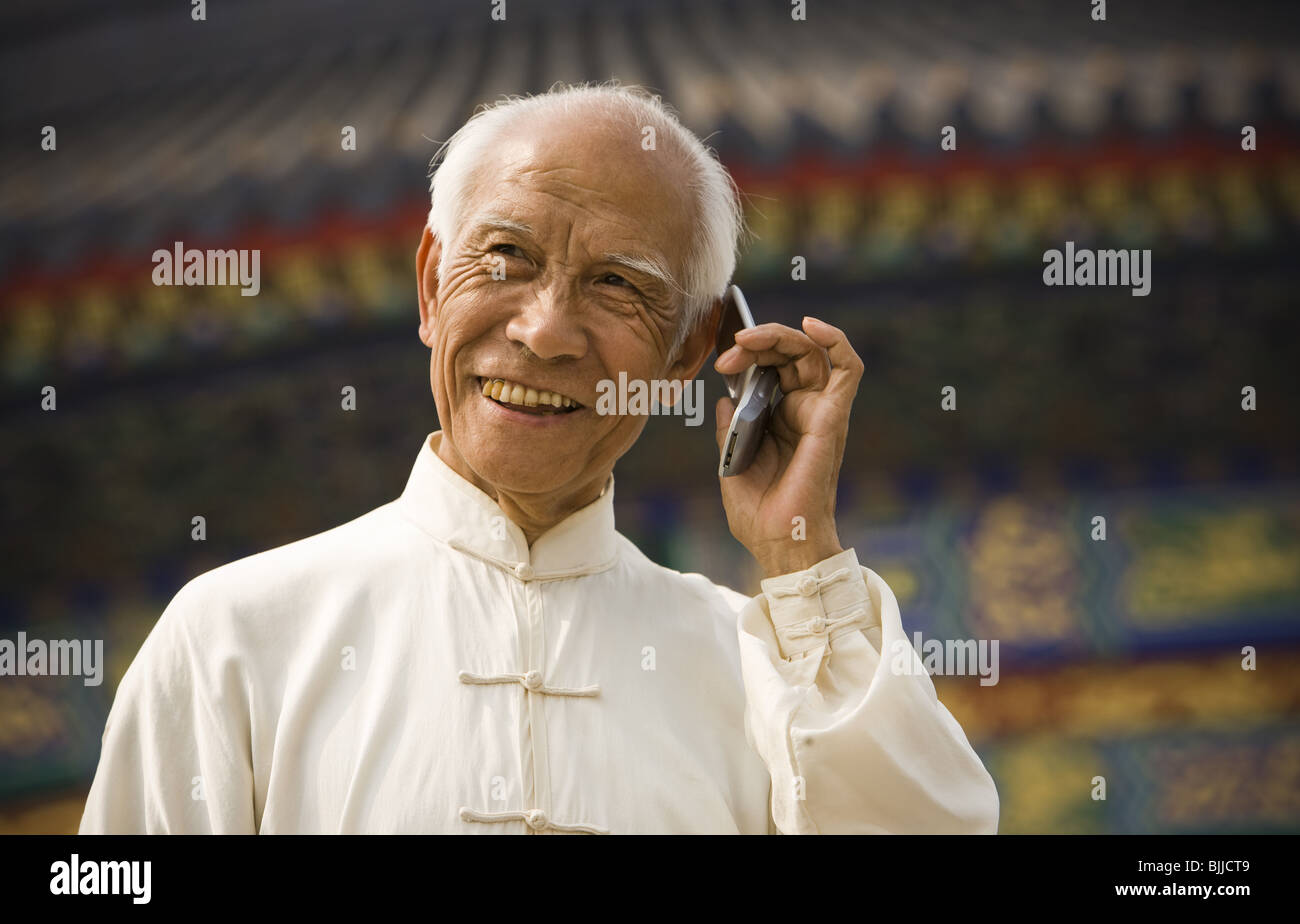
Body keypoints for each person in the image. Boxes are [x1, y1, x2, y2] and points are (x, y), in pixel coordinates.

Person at [80, 84, 999, 834]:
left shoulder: (755, 669)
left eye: (617, 286)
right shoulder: (235, 639)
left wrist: (802, 559)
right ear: (432, 285)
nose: (545, 331)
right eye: (506, 259)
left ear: (689, 353)